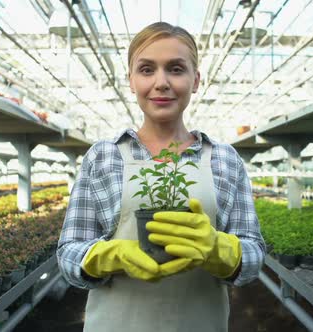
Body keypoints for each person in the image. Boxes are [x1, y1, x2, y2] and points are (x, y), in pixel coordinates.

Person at [57, 21, 266, 332]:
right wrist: (105, 256)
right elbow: (68, 252)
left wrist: (222, 250)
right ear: (130, 80)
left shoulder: (224, 159)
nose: (161, 82)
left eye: (176, 69)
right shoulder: (103, 156)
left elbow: (254, 253)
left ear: (196, 81)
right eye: (146, 70)